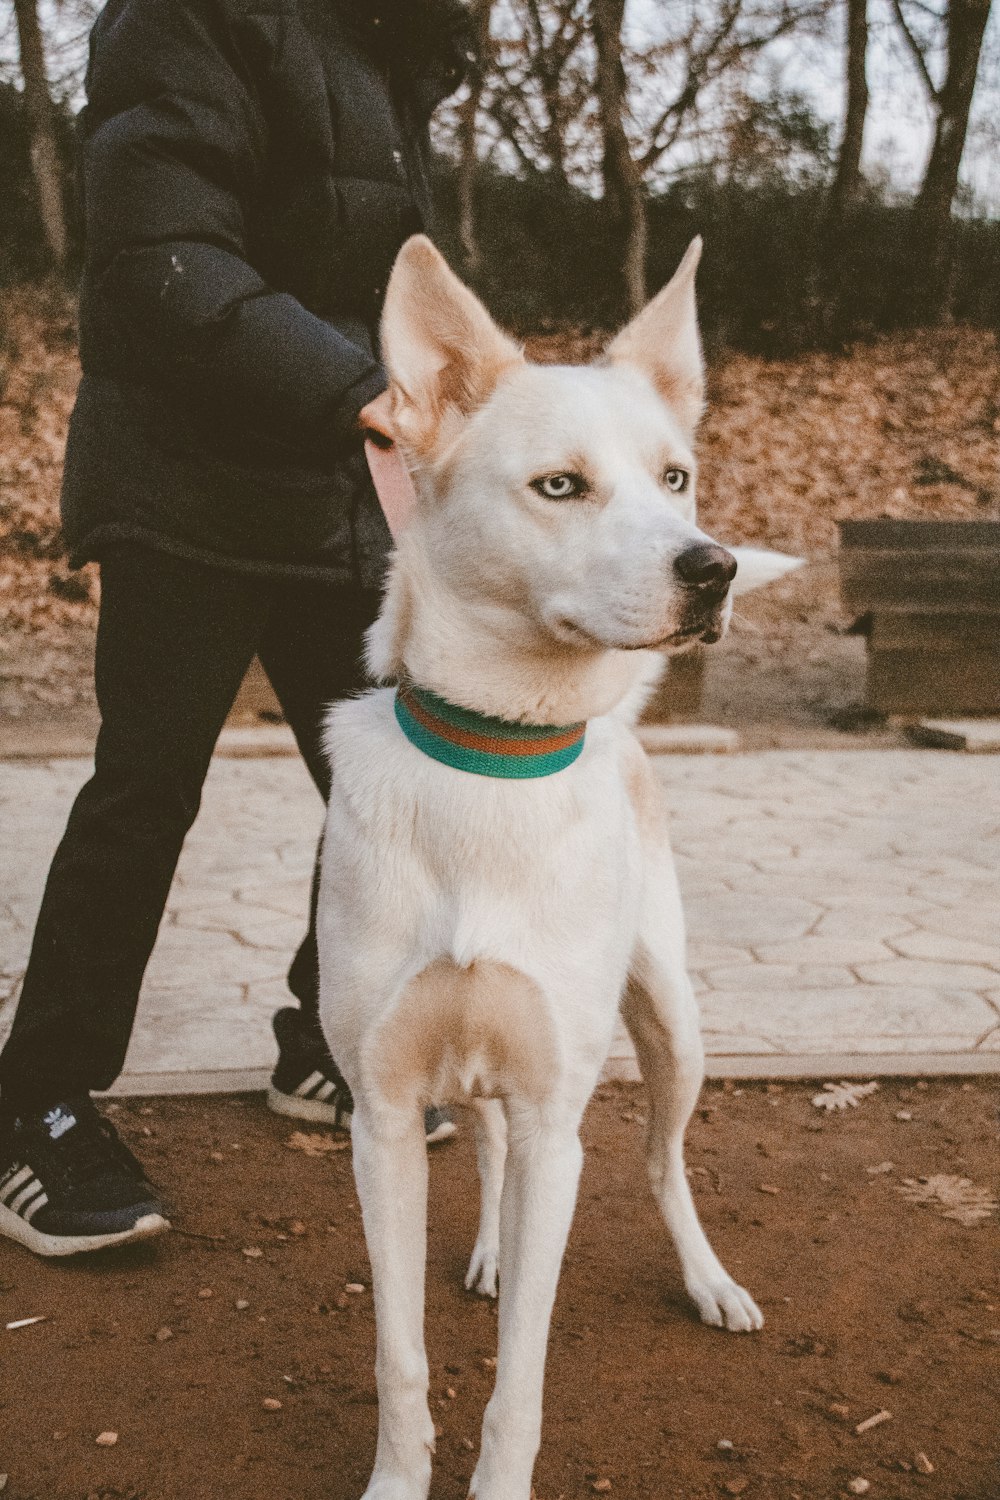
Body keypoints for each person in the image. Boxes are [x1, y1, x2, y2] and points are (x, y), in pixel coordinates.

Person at [0, 0, 471, 1257]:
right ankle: (33, 1100)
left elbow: (381, 269)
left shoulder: (377, 45)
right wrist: (360, 388)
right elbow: (163, 259)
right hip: (183, 480)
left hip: (324, 489)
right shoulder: (181, 16)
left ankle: (320, 1040)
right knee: (145, 791)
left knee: (384, 781)